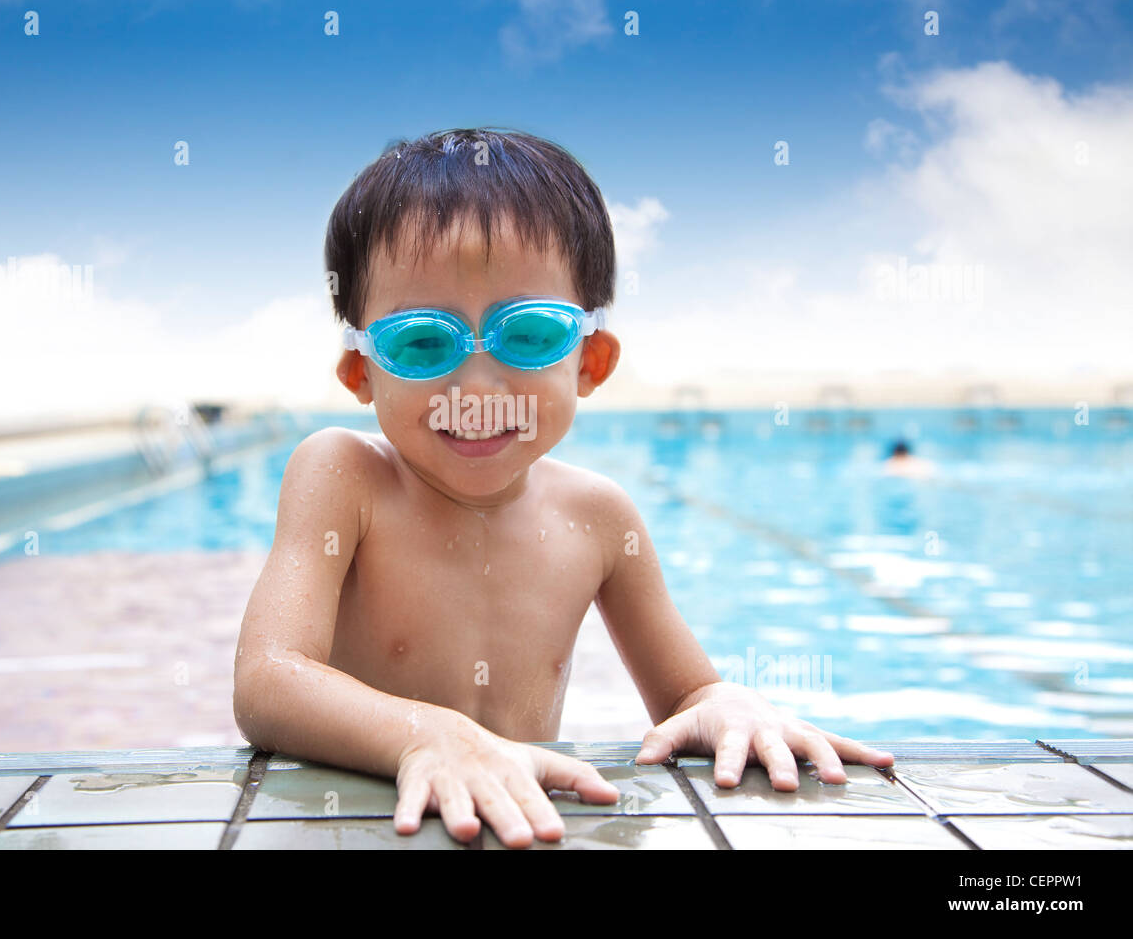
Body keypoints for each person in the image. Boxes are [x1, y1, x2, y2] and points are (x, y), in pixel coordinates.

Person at [233, 127, 893, 848]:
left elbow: (687, 696)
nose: (478, 387)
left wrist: (728, 704)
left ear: (589, 361)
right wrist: (426, 735)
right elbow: (268, 679)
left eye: (528, 335)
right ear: (363, 371)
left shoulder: (599, 517)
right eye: (422, 342)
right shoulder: (343, 476)